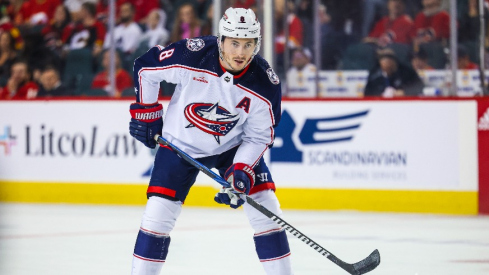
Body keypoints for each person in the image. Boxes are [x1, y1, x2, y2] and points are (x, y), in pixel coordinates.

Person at [129, 7, 293, 275]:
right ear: (222, 40)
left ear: (257, 44)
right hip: (178, 146)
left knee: (267, 210)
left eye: (248, 44)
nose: (240, 53)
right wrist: (147, 113)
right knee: (156, 219)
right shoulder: (193, 55)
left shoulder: (265, 83)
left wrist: (241, 170)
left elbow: (259, 135)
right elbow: (146, 67)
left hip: (233, 147)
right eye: (235, 43)